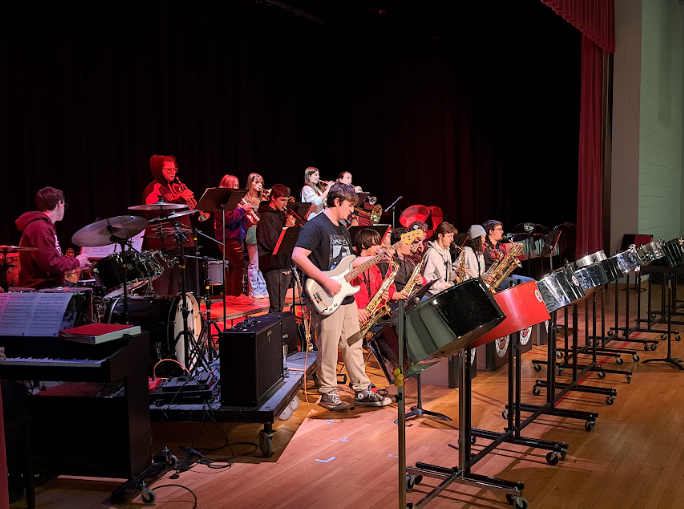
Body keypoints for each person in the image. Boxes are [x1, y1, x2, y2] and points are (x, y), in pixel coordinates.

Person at [292, 183, 391, 411]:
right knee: (328, 346)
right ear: (336, 202)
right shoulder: (315, 226)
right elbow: (298, 256)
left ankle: (362, 389)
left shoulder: (342, 228)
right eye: (349, 206)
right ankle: (328, 392)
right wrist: (326, 280)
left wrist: (378, 258)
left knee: (354, 344)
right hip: (326, 294)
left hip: (346, 295)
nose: (352, 211)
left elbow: (349, 262)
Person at [142, 155, 196, 297]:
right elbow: (155, 211)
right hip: (164, 242)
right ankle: (163, 314)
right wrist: (181, 199)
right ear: (159, 170)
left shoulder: (176, 187)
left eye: (174, 169)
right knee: (163, 280)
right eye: (169, 169)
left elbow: (185, 211)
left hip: (181, 239)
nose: (173, 172)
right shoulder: (153, 188)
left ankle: (174, 315)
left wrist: (190, 204)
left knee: (176, 282)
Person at [15, 187, 90, 289]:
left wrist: (78, 262)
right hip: (42, 288)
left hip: (49, 285)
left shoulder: (46, 226)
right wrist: (76, 262)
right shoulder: (40, 228)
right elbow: (50, 263)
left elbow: (55, 258)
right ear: (59, 203)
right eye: (65, 205)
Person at [214, 175, 255, 305]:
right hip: (228, 238)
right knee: (239, 265)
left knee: (233, 266)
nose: (236, 188)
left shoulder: (235, 202)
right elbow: (229, 219)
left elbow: (236, 221)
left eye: (237, 185)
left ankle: (231, 295)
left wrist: (247, 220)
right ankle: (237, 295)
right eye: (233, 185)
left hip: (236, 237)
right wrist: (242, 210)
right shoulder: (222, 202)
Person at [257, 184, 296, 313]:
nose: (285, 204)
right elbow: (272, 243)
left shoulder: (280, 214)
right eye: (282, 200)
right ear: (273, 198)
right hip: (272, 264)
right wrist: (287, 227)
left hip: (283, 263)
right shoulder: (266, 217)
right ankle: (273, 332)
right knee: (276, 306)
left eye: (287, 200)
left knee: (280, 305)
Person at [349, 229, 404, 319]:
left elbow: (379, 293)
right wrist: (354, 309)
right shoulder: (352, 267)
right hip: (357, 314)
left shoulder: (376, 268)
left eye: (379, 245)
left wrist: (384, 296)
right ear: (363, 245)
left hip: (373, 315)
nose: (378, 248)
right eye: (374, 245)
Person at [482, 220, 534, 289]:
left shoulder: (501, 248)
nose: (502, 232)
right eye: (499, 229)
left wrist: (510, 261)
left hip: (504, 276)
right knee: (523, 283)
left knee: (532, 281)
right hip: (492, 280)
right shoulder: (483, 247)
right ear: (491, 231)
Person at [243, 173, 268, 299]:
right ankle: (253, 291)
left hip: (262, 232)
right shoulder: (246, 199)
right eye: (257, 182)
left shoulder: (261, 198)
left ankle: (263, 289)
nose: (260, 185)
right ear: (250, 184)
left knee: (262, 263)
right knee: (254, 263)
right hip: (252, 232)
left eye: (261, 183)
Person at [422, 221, 458, 297]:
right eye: (449, 236)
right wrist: (443, 287)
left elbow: (447, 278)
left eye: (452, 236)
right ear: (440, 236)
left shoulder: (447, 251)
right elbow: (427, 280)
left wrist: (456, 272)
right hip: (434, 294)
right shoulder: (431, 253)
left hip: (445, 290)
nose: (452, 239)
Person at [390, 227, 426, 293]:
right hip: (397, 298)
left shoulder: (411, 262)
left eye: (412, 243)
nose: (411, 246)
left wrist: (422, 280)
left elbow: (422, 280)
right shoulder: (390, 262)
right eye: (408, 243)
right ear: (398, 243)